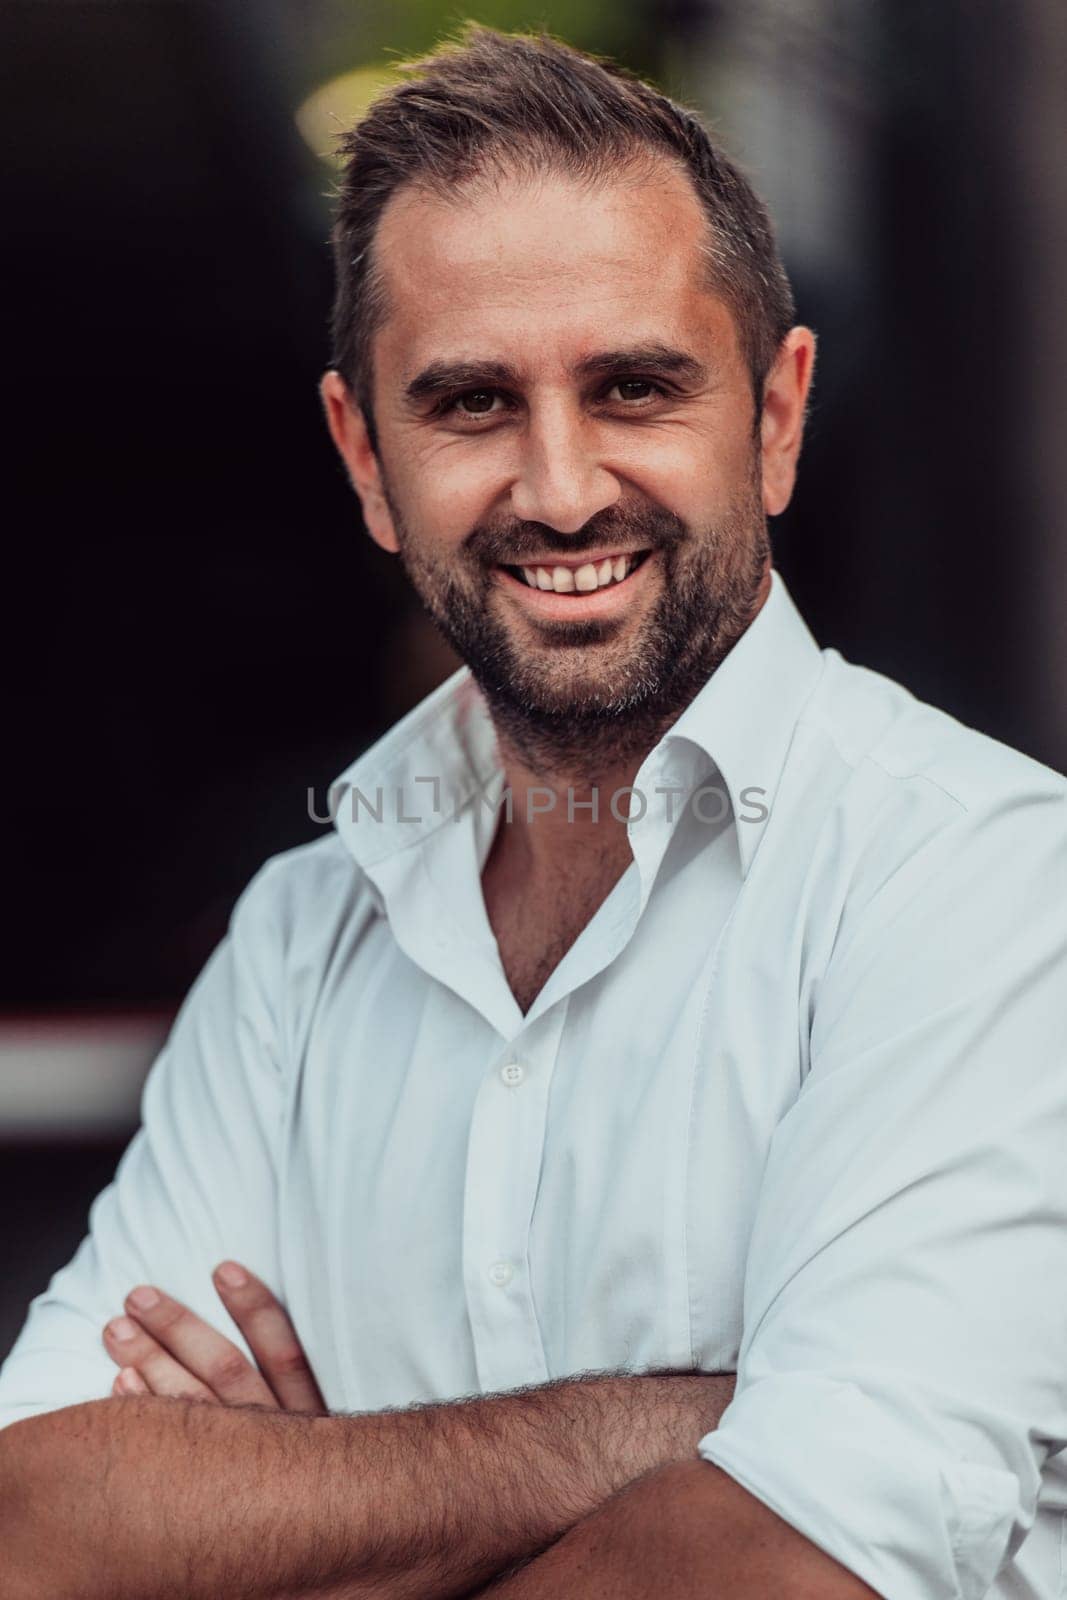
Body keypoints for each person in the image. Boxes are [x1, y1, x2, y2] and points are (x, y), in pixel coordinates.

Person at [1, 23, 1065, 1600]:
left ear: (775, 417)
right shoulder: (303, 945)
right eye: (472, 404)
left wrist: (305, 1524)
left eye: (635, 387)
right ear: (366, 457)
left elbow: (786, 1567)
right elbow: (38, 1520)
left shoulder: (985, 886)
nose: (561, 489)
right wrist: (664, 1430)